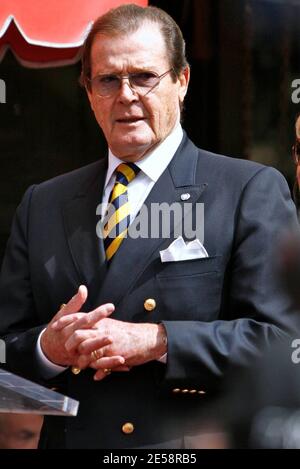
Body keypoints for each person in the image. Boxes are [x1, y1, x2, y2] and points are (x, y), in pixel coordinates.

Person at [0, 4, 299, 449]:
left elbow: (284, 345)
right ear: (88, 91)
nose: (126, 95)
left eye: (144, 77)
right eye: (108, 79)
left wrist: (158, 339)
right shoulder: (43, 203)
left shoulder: (246, 190)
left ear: (182, 82)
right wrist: (47, 348)